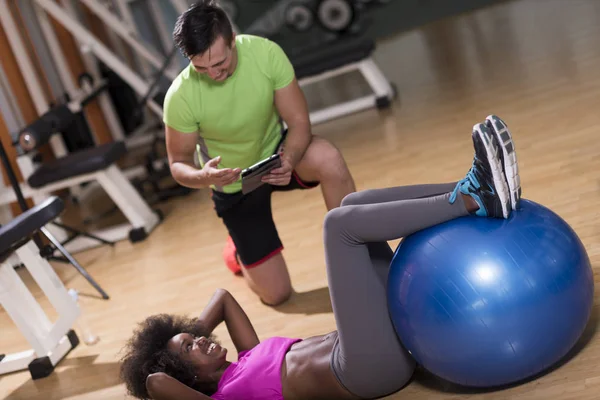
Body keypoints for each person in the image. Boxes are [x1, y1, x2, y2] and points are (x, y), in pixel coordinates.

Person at [119, 115, 522, 400]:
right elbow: (155, 381)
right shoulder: (226, 398)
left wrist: (184, 338)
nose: (204, 341)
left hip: (385, 342)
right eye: (192, 349)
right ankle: (474, 198)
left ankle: (479, 185)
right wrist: (168, 355)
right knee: (339, 227)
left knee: (352, 203)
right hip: (366, 372)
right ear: (186, 378)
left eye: (196, 338)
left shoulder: (246, 358)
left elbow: (223, 298)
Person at [162, 0, 356, 306]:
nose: (213, 73)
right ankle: (238, 253)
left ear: (232, 41)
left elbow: (299, 121)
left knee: (327, 158)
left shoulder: (265, 54)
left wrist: (290, 158)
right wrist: (203, 176)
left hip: (278, 153)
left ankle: (355, 255)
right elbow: (178, 164)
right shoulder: (181, 97)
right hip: (233, 184)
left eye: (219, 63)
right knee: (278, 295)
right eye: (201, 67)